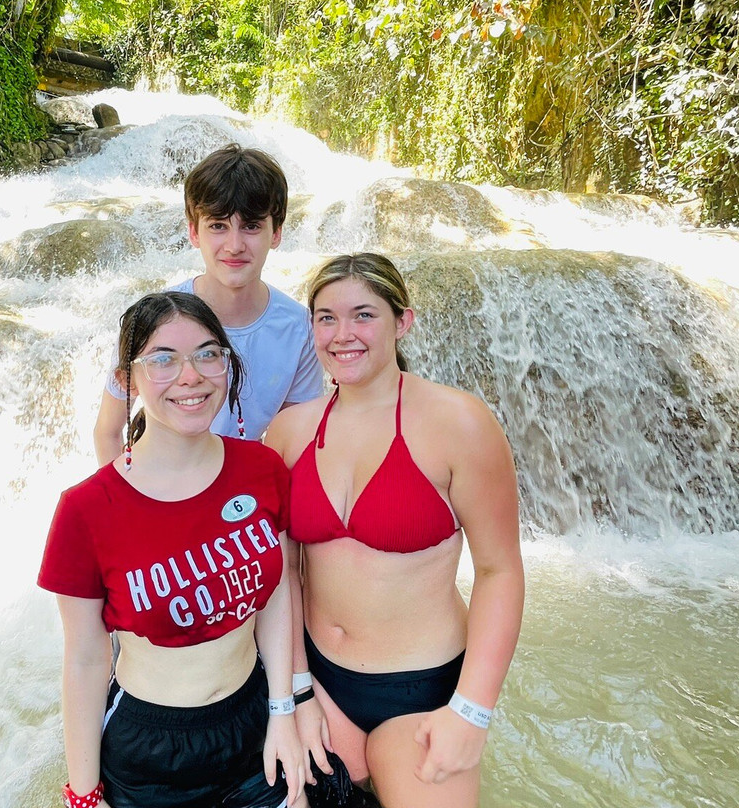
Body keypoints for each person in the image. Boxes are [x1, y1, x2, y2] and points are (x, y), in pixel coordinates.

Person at [265, 254, 524, 808]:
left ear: (402, 322)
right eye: (326, 318)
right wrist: (294, 692)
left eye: (363, 315)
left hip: (421, 693)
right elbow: (283, 572)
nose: (343, 335)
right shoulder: (288, 432)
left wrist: (472, 713)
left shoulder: (460, 423)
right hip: (321, 685)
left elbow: (500, 571)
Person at [40, 291, 307, 808]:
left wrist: (284, 712)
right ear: (128, 379)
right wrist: (84, 794)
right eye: (163, 359)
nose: (191, 376)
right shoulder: (85, 511)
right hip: (151, 751)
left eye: (208, 354)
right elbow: (86, 661)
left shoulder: (262, 469)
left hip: (253, 722)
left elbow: (273, 595)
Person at [93, 144, 323, 464]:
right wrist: (122, 504)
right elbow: (108, 429)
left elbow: (296, 436)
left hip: (242, 491)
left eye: (252, 225)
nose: (234, 245)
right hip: (160, 478)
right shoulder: (156, 319)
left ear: (276, 232)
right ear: (194, 231)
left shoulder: (300, 330)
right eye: (218, 226)